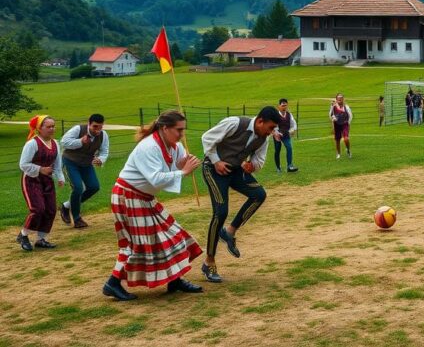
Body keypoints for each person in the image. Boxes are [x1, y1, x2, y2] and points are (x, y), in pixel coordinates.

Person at [102, 110, 204, 301]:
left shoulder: (176, 146)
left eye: (183, 130)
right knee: (136, 245)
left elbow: (169, 172)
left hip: (144, 197)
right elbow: (156, 179)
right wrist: (182, 172)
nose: (182, 134)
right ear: (165, 128)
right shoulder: (148, 147)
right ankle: (112, 283)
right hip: (127, 197)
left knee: (173, 235)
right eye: (178, 130)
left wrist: (181, 166)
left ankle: (174, 280)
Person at [199, 107, 278, 284]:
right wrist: (216, 161)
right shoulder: (234, 123)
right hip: (213, 169)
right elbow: (207, 138)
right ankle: (208, 263)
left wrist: (252, 166)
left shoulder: (264, 138)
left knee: (259, 194)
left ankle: (229, 232)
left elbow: (259, 160)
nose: (271, 132)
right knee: (220, 212)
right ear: (260, 121)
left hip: (235, 170)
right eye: (271, 127)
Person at [17, 115, 65, 251]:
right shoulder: (32, 143)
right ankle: (23, 235)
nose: (52, 129)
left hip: (47, 180)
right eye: (48, 126)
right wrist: (40, 169)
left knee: (50, 210)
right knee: (38, 209)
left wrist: (60, 177)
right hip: (31, 180)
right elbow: (23, 164)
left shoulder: (55, 143)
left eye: (53, 126)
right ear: (39, 128)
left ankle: (41, 239)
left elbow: (57, 163)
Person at [58, 113, 110, 228]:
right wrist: (80, 141)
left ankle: (66, 206)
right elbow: (63, 142)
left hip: (86, 164)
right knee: (77, 187)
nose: (98, 130)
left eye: (100, 127)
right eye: (95, 126)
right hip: (70, 162)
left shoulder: (103, 135)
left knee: (94, 187)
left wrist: (101, 160)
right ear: (89, 124)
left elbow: (104, 151)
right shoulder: (78, 129)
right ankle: (76, 218)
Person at [272, 98, 298, 173]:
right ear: (279, 106)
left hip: (286, 135)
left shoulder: (289, 115)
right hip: (277, 135)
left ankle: (289, 166)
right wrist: (277, 133)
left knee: (289, 147)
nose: (284, 107)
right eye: (282, 105)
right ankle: (278, 167)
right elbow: (273, 126)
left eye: (285, 105)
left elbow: (294, 125)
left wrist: (292, 131)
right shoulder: (276, 115)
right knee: (277, 150)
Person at [330, 94, 353, 159]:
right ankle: (338, 153)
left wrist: (348, 123)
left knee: (346, 139)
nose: (340, 100)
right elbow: (330, 114)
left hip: (345, 124)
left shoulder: (346, 107)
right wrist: (333, 119)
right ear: (336, 100)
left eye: (341, 99)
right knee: (337, 140)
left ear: (343, 99)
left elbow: (350, 116)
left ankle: (348, 150)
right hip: (337, 124)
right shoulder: (333, 107)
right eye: (338, 99)